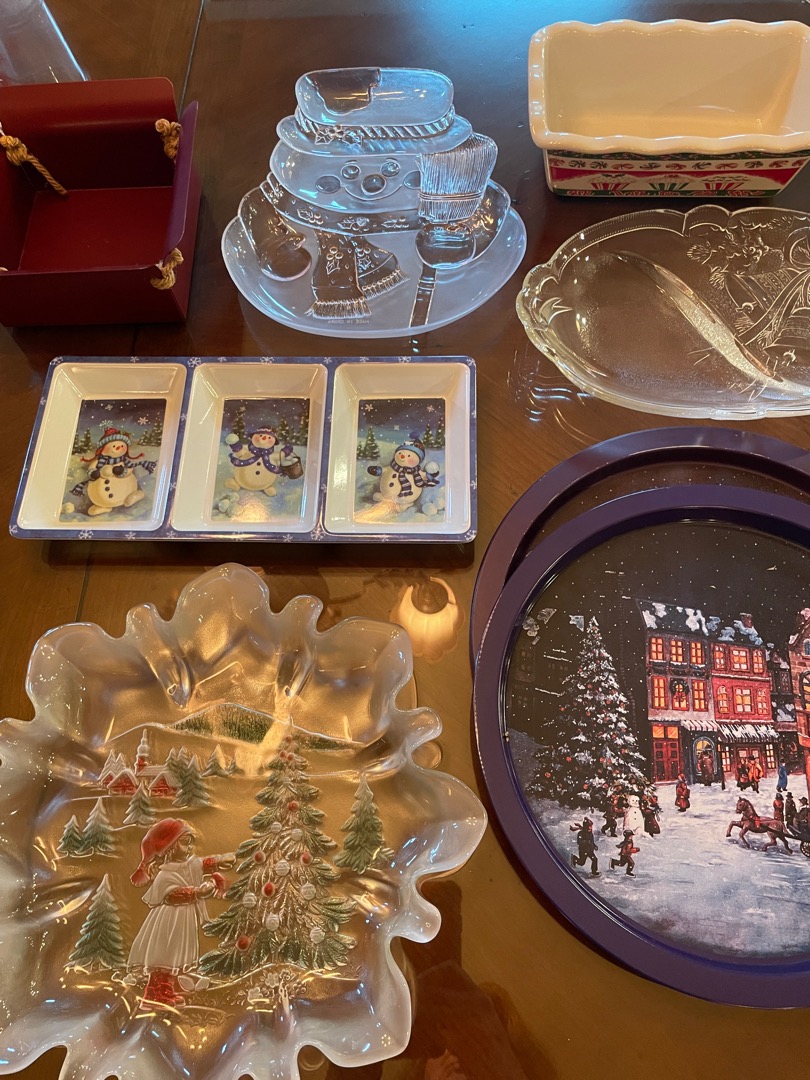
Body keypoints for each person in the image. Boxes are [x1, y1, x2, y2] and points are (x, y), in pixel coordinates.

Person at [127, 818, 234, 1008]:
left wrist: (219, 860)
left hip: (182, 920)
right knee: (165, 956)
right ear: (169, 847)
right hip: (169, 922)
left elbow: (201, 864)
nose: (191, 847)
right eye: (185, 842)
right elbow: (171, 896)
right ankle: (154, 995)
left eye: (191, 842)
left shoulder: (188, 864)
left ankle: (167, 990)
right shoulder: (165, 874)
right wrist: (198, 892)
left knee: (174, 957)